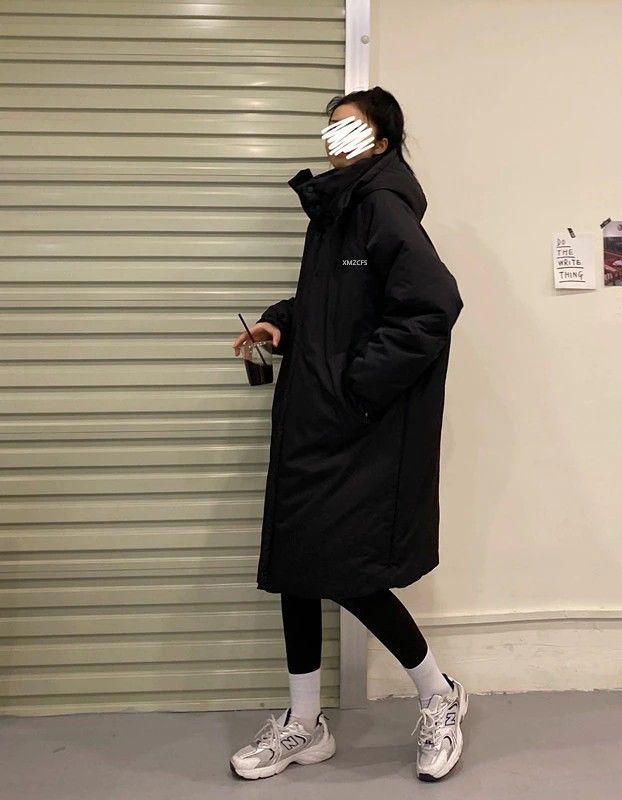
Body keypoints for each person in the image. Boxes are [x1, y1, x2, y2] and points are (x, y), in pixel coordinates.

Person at [230, 86, 466, 782]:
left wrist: (354, 386)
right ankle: (305, 725)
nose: (336, 138)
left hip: (354, 426)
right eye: (331, 127)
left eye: (352, 129)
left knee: (349, 570)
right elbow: (333, 303)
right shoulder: (336, 208)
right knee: (298, 564)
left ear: (381, 143)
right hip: (314, 419)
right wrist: (281, 321)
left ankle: (440, 694)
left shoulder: (380, 204)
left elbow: (432, 305)